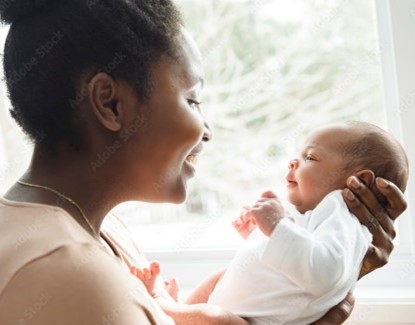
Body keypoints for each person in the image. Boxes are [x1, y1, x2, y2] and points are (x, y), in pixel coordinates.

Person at [0, 0, 406, 324]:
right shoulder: (69, 275)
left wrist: (313, 288)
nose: (207, 130)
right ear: (110, 103)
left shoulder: (99, 232)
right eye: (192, 99)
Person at [203, 121, 408, 324]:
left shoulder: (345, 217)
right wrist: (260, 233)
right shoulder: (318, 215)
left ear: (360, 181)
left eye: (310, 157)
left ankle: (176, 309)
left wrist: (276, 225)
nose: (293, 162)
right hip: (240, 311)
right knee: (216, 287)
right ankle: (177, 308)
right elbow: (298, 253)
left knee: (211, 317)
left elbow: (324, 272)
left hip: (251, 319)